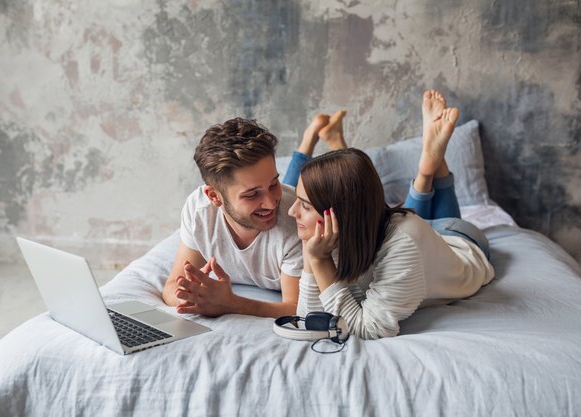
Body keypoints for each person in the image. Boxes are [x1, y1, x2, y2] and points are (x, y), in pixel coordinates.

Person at [285, 90, 495, 340]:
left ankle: (430, 166)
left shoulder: (403, 243)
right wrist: (313, 256)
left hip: (461, 241)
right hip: (418, 238)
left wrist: (318, 261)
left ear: (342, 213)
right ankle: (429, 163)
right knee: (410, 223)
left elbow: (369, 329)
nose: (291, 212)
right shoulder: (328, 236)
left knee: (412, 227)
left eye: (305, 206)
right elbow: (311, 319)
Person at [162, 118, 303, 318]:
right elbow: (171, 287)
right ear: (214, 197)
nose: (271, 203)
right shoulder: (199, 211)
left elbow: (297, 308)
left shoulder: (298, 220)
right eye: (252, 194)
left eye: (273, 184)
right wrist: (197, 299)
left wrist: (231, 304)